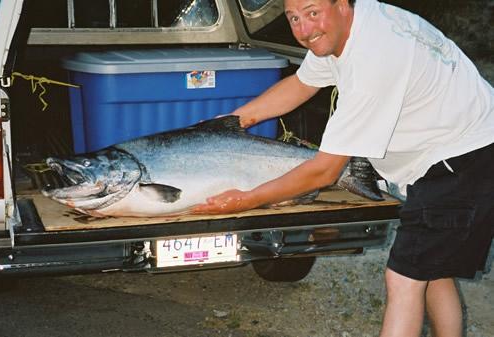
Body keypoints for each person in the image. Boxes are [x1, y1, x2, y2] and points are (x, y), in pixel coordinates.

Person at [192, 0, 494, 335]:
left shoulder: (373, 59)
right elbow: (302, 83)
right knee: (433, 270)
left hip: (462, 158)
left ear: (342, 6)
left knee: (404, 279)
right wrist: (235, 120)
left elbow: (324, 171)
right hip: (453, 152)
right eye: (293, 18)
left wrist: (247, 199)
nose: (304, 31)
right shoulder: (350, 27)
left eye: (312, 13)